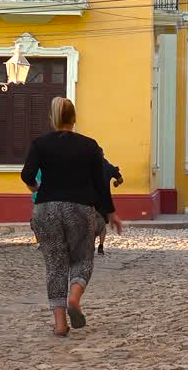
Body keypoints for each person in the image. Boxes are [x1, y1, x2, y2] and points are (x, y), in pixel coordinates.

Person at [21, 97, 124, 338]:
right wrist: (111, 212)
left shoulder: (40, 144)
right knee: (82, 259)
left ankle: (59, 324)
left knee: (55, 266)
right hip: (79, 208)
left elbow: (26, 174)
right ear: (74, 118)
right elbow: (100, 184)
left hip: (46, 209)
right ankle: (74, 298)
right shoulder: (90, 146)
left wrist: (35, 187)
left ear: (52, 118)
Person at [95, 154, 123, 256]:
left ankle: (89, 245)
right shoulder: (109, 167)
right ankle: (101, 246)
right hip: (105, 200)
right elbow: (120, 180)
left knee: (90, 223)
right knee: (102, 224)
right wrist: (116, 183)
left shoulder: (90, 166)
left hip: (90, 199)